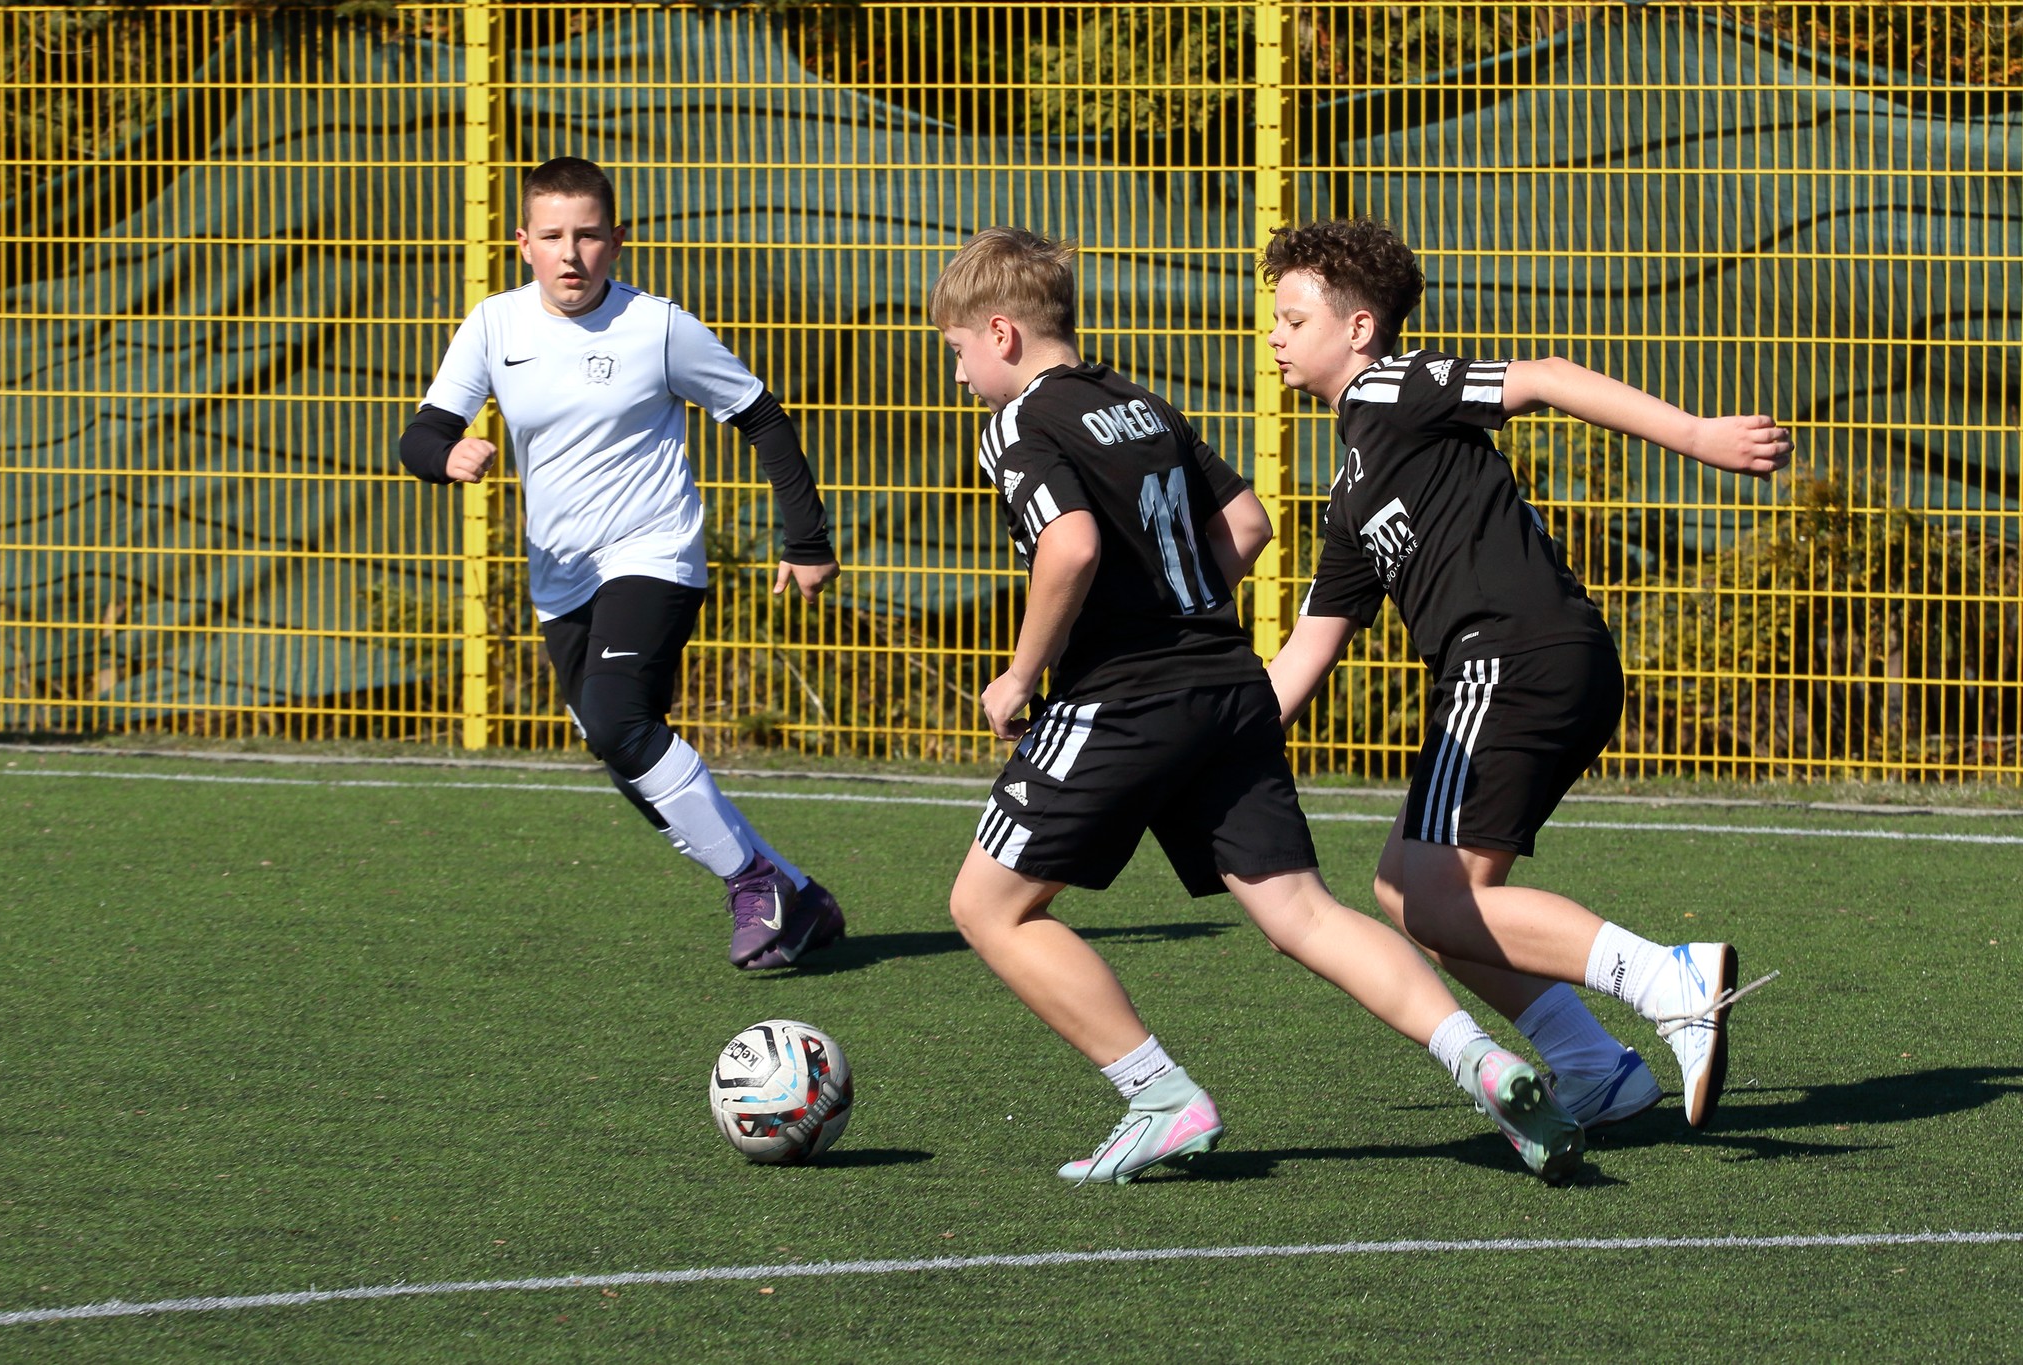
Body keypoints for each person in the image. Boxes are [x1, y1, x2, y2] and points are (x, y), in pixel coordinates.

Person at [932, 225, 1585, 1187]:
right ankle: (1481, 1061)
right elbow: (1245, 523)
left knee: (987, 906)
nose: (958, 377)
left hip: (1125, 695)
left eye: (957, 352)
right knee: (1302, 913)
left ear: (1002, 333)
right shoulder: (1140, 403)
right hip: (1229, 684)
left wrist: (1022, 674)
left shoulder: (1019, 420)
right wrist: (1183, 609)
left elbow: (1069, 544)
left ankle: (1159, 1097)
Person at [1260, 217, 1786, 1130]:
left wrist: (1696, 435)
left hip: (1512, 655)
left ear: (1358, 328)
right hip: (1527, 662)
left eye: (1294, 319)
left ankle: (1669, 978)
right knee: (1405, 888)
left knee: (1434, 895)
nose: (1274, 336)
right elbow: (1310, 644)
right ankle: (1594, 1067)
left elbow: (1542, 377)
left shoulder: (1394, 386)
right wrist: (1205, 746)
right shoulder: (1351, 487)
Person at [398, 156, 845, 971]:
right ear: (522, 242)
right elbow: (421, 433)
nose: (571, 254)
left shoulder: (658, 326)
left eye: (589, 235)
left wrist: (806, 539)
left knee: (616, 719)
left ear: (618, 239)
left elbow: (761, 416)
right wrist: (446, 456)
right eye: (552, 236)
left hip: (653, 551)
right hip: (559, 574)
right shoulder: (495, 324)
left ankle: (751, 882)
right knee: (620, 751)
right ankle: (797, 893)